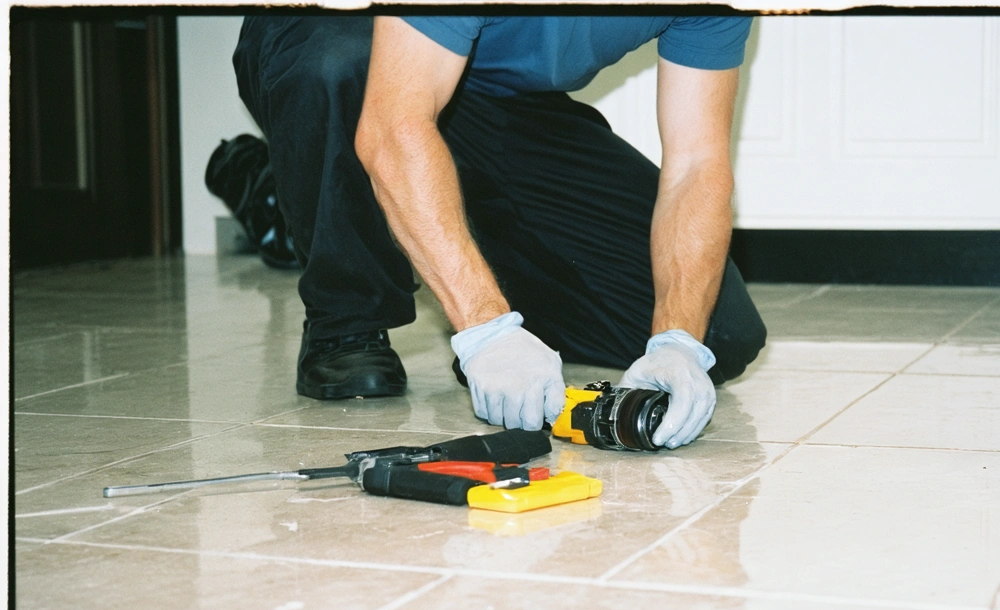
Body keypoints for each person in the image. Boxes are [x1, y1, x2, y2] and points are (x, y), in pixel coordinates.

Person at [233, 15, 767, 448]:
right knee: (338, 60)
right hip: (360, 58)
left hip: (499, 100)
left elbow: (696, 164)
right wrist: (484, 328)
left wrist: (677, 339)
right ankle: (342, 309)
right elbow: (394, 124)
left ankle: (468, 259)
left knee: (719, 333)